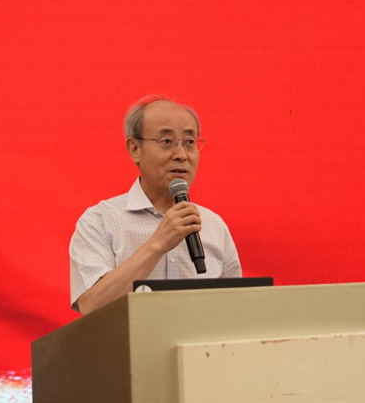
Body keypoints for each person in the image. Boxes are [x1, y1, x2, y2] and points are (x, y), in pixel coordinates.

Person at [69, 95, 243, 314]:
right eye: (166, 142)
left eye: (190, 142)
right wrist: (158, 243)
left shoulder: (214, 226)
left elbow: (237, 309)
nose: (181, 155)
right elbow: (92, 306)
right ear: (135, 149)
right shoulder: (100, 221)